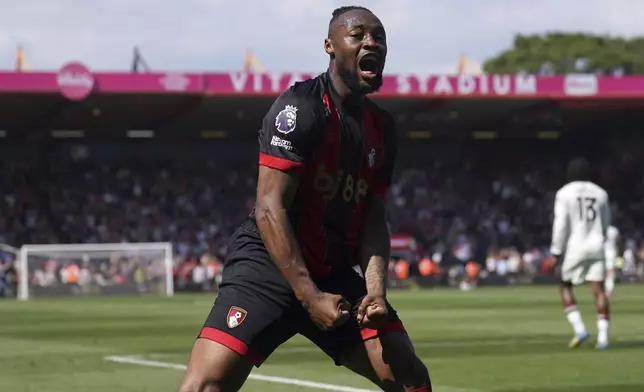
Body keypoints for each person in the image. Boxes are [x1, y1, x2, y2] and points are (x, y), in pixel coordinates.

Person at [177, 6, 431, 392]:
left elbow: (373, 217)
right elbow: (269, 207)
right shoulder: (300, 108)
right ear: (330, 46)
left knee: (409, 376)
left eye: (378, 37)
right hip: (268, 268)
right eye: (357, 34)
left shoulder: (383, 128)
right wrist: (310, 297)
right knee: (204, 386)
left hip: (334, 273)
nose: (371, 42)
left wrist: (376, 291)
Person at [550, 157, 611, 350]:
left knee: (565, 286)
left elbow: (561, 224)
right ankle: (603, 338)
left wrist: (556, 251)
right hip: (596, 244)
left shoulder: (564, 193)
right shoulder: (601, 193)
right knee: (599, 290)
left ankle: (580, 329)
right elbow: (606, 222)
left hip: (575, 245)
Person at [604, 225, 619, 298]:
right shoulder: (614, 229)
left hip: (603, 252)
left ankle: (607, 291)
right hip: (612, 253)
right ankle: (608, 291)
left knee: (608, 274)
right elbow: (618, 242)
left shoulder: (601, 227)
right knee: (610, 273)